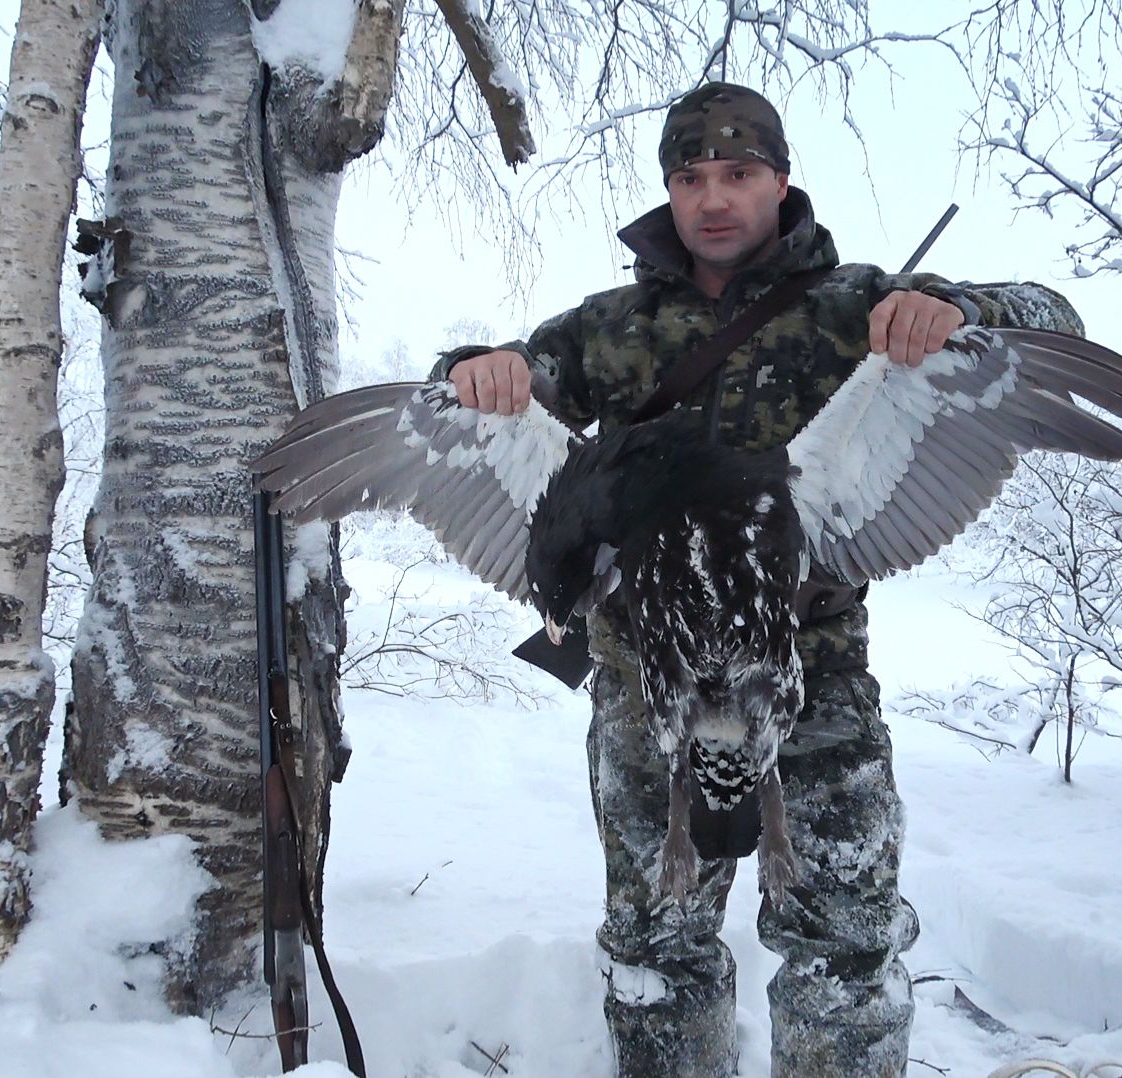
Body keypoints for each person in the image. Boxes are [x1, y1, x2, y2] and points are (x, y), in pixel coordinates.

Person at [431, 82, 1087, 1077]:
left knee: (845, 950)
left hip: (810, 676)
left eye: (739, 173)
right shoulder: (607, 328)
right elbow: (493, 390)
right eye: (689, 177)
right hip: (651, 684)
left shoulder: (859, 307)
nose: (713, 198)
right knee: (659, 948)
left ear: (781, 179)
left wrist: (961, 311)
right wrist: (474, 367)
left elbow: (1058, 319)